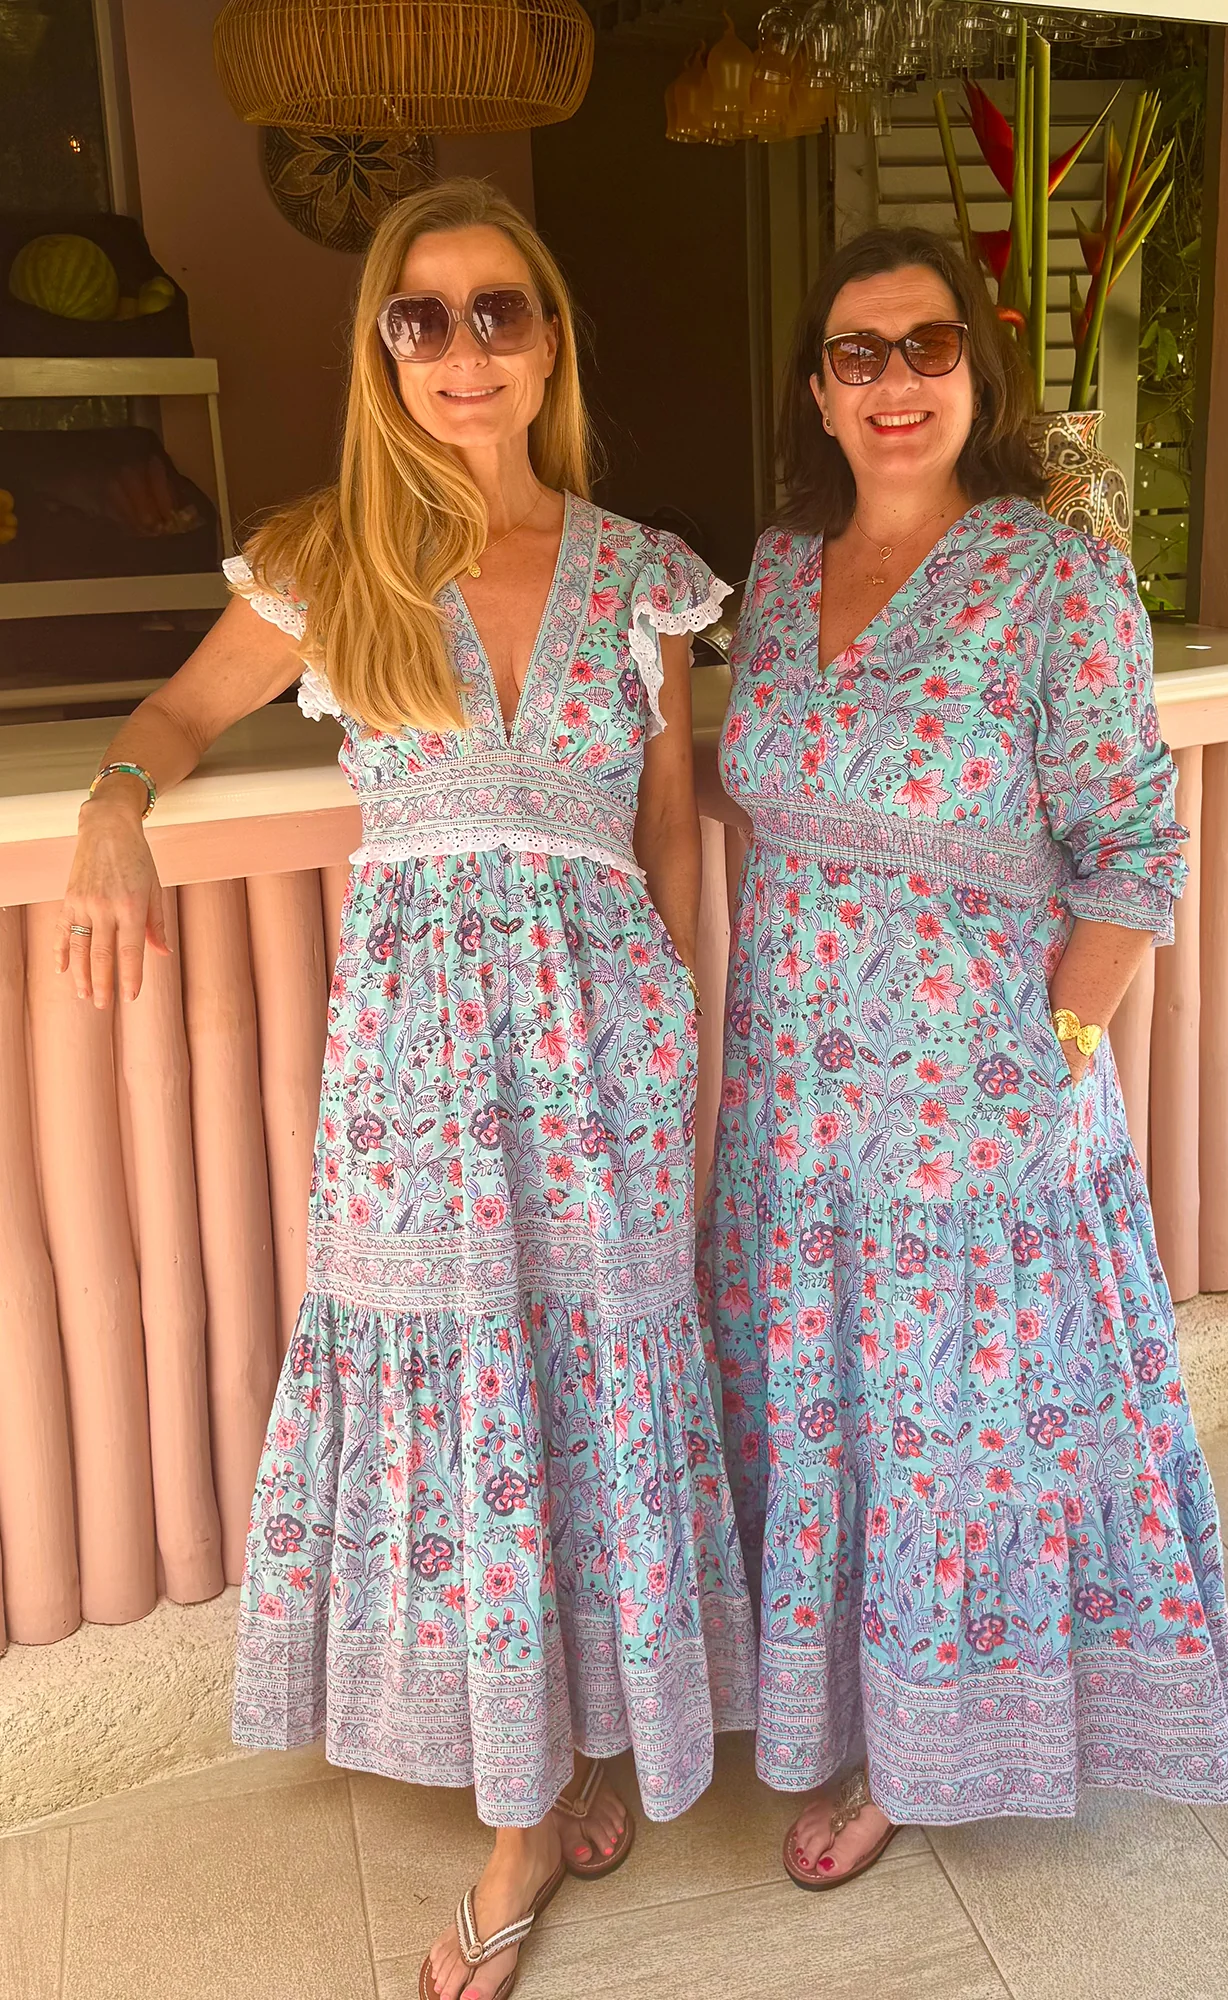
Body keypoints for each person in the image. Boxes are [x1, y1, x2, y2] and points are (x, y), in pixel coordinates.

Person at [58, 177, 756, 2000]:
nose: (463, 351)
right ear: (381, 349)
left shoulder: (638, 571)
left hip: (607, 1053)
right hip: (422, 1071)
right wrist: (113, 818)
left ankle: (574, 1742)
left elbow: (670, 840)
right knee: (474, 1386)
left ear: (548, 340)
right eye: (421, 317)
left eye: (496, 312)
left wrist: (678, 1056)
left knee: (589, 1382)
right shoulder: (328, 557)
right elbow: (174, 717)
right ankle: (522, 1807)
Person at [697, 224, 1228, 1888]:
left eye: (927, 349)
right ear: (816, 388)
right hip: (797, 1113)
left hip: (973, 1120)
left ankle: (927, 1754)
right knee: (835, 1425)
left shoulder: (1051, 573)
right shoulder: (779, 570)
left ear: (975, 371)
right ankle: (835, 1707)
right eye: (858, 355)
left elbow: (1132, 858)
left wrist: (1049, 1060)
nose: (895, 385)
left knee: (950, 1438)